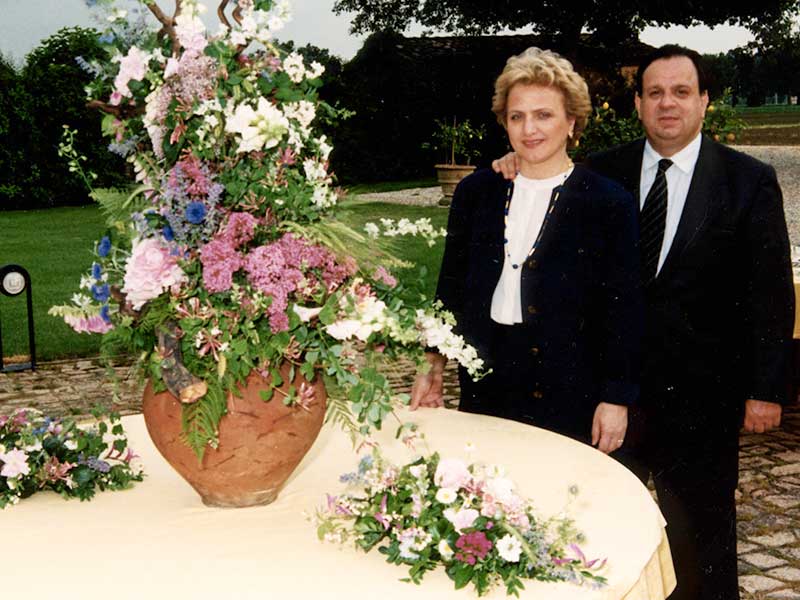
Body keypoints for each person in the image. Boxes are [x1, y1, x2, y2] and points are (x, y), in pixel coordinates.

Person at [493, 44, 795, 600]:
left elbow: (770, 294)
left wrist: (765, 388)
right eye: (654, 92)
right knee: (605, 526)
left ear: (704, 100)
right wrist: (517, 164)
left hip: (702, 394)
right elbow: (544, 192)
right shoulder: (598, 171)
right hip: (608, 393)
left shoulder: (746, 180)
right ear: (637, 102)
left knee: (701, 533)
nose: (667, 104)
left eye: (682, 91)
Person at [410, 47, 643, 455]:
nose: (529, 128)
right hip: (487, 380)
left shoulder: (608, 202)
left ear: (572, 121)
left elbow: (623, 307)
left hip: (571, 390)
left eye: (544, 115)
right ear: (504, 122)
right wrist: (433, 361)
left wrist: (617, 397)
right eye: (517, 116)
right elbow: (451, 286)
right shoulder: (476, 192)